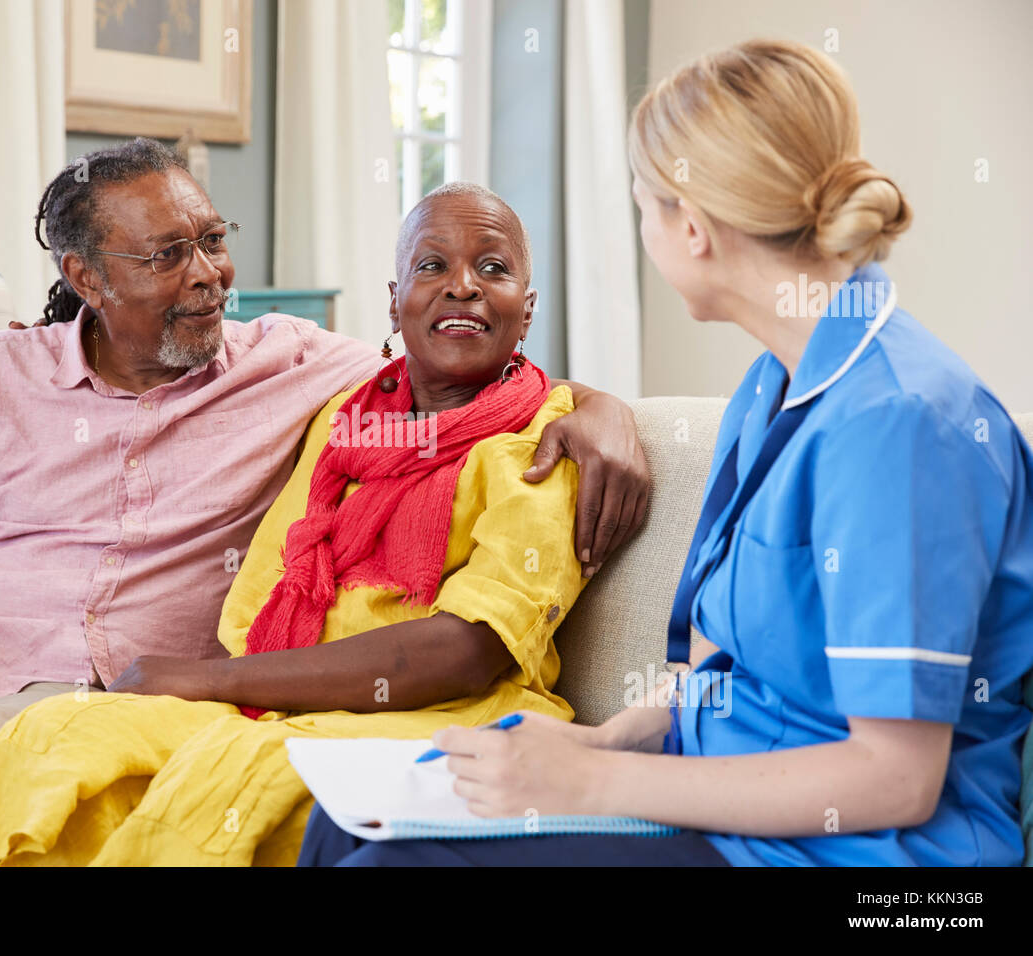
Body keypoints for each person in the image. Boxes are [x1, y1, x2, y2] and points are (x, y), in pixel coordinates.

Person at [0, 140, 651, 867]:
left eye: (213, 241)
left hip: (81, 698)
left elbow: (461, 359)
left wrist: (603, 408)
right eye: (168, 256)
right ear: (87, 278)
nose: (208, 273)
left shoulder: (295, 365)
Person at [298, 38, 1033, 867]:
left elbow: (894, 781)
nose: (642, 226)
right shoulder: (772, 387)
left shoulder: (898, 426)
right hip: (718, 799)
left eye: (643, 203)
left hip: (860, 859)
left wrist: (593, 787)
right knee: (346, 825)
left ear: (693, 227)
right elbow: (721, 677)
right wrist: (601, 743)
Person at [0, 182, 590, 866]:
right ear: (393, 300)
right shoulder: (345, 418)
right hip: (280, 697)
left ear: (527, 310)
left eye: (494, 269)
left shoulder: (544, 443)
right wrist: (231, 686)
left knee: (223, 782)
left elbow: (470, 652)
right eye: (432, 266)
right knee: (57, 735)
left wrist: (207, 681)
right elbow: (257, 603)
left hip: (436, 716)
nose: (463, 288)